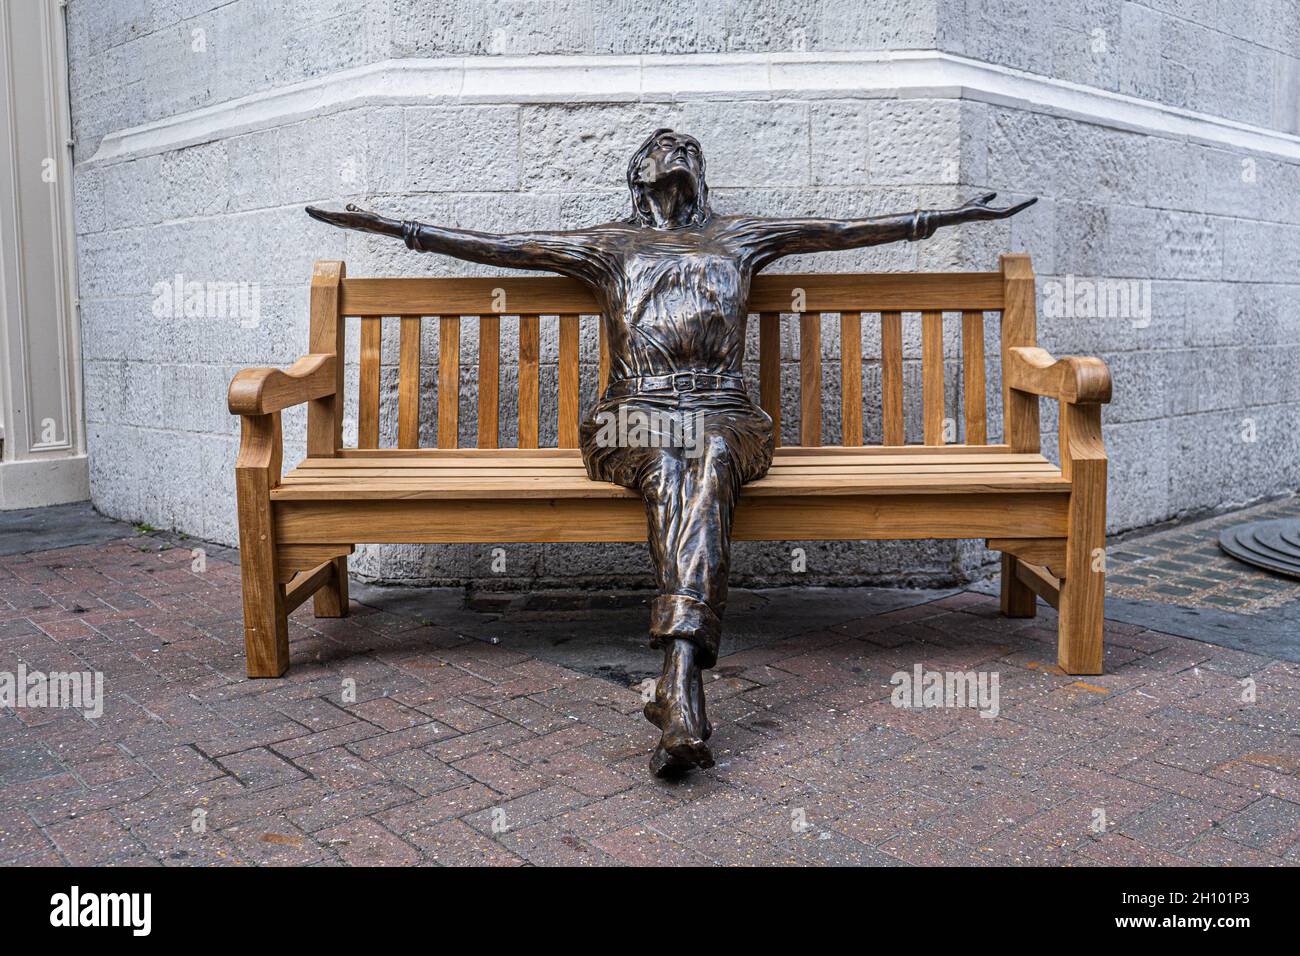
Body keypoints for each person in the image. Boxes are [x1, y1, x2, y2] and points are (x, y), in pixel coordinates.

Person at [307, 127, 1035, 776]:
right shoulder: (607, 245)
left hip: (728, 417)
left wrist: (945, 218)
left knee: (707, 449)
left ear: (700, 174)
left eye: (686, 146)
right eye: (660, 145)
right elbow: (503, 248)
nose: (674, 147)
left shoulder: (740, 236)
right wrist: (394, 227)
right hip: (630, 418)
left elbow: (836, 230)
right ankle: (681, 678)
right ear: (638, 176)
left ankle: (679, 679)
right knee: (685, 450)